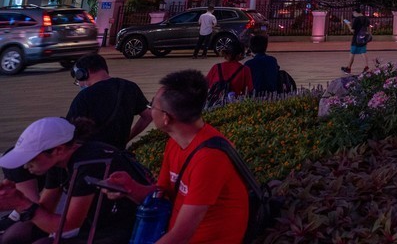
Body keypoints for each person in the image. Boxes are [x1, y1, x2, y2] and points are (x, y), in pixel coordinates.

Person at [105, 70, 250, 244]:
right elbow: (163, 194)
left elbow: (181, 235)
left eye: (152, 106)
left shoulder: (210, 158)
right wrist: (128, 187)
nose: (150, 112)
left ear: (166, 118)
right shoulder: (176, 142)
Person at [0, 117, 150, 244]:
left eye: (30, 158)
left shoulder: (88, 162)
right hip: (99, 222)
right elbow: (45, 208)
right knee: (14, 235)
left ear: (57, 150)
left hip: (130, 227)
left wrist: (21, 204)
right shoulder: (60, 160)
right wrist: (17, 198)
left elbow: (68, 225)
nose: (26, 166)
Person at [66, 53, 153, 150]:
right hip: (118, 154)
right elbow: (148, 116)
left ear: (83, 74)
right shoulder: (129, 87)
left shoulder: (84, 96)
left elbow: (68, 131)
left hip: (92, 156)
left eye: (78, 81)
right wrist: (127, 139)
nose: (79, 84)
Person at [341, 8, 371, 75]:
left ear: (355, 12)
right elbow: (369, 28)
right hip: (363, 38)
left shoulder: (357, 19)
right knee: (363, 52)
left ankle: (348, 68)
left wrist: (348, 24)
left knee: (352, 53)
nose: (353, 15)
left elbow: (353, 31)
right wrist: (368, 36)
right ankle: (366, 67)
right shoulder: (366, 18)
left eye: (353, 13)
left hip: (356, 39)